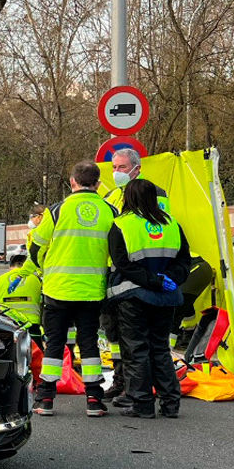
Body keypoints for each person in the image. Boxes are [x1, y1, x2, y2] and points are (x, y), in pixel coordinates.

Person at [29, 161, 116, 417]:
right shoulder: (110, 211)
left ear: (72, 182)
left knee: (54, 344)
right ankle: (94, 400)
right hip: (92, 291)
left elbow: (36, 248)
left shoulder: (57, 211)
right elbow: (117, 252)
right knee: (89, 344)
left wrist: (45, 268)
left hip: (58, 290)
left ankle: (45, 398)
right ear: (98, 184)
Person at [107, 178, 193, 418]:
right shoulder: (172, 224)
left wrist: (152, 280)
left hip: (133, 297)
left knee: (136, 351)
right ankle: (170, 404)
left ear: (128, 198)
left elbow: (122, 264)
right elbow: (184, 261)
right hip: (167, 297)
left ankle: (142, 404)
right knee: (160, 349)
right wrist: (170, 279)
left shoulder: (121, 225)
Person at [101, 150, 170, 407]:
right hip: (115, 276)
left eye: (122, 167)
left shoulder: (156, 195)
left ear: (137, 169)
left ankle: (139, 389)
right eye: (114, 167)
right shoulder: (110, 196)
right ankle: (121, 380)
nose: (116, 172)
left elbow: (157, 230)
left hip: (140, 276)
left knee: (139, 341)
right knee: (115, 335)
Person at [0, 254, 42, 341]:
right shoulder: (36, 280)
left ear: (10, 266)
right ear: (26, 265)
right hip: (31, 325)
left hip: (6, 325)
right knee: (34, 353)